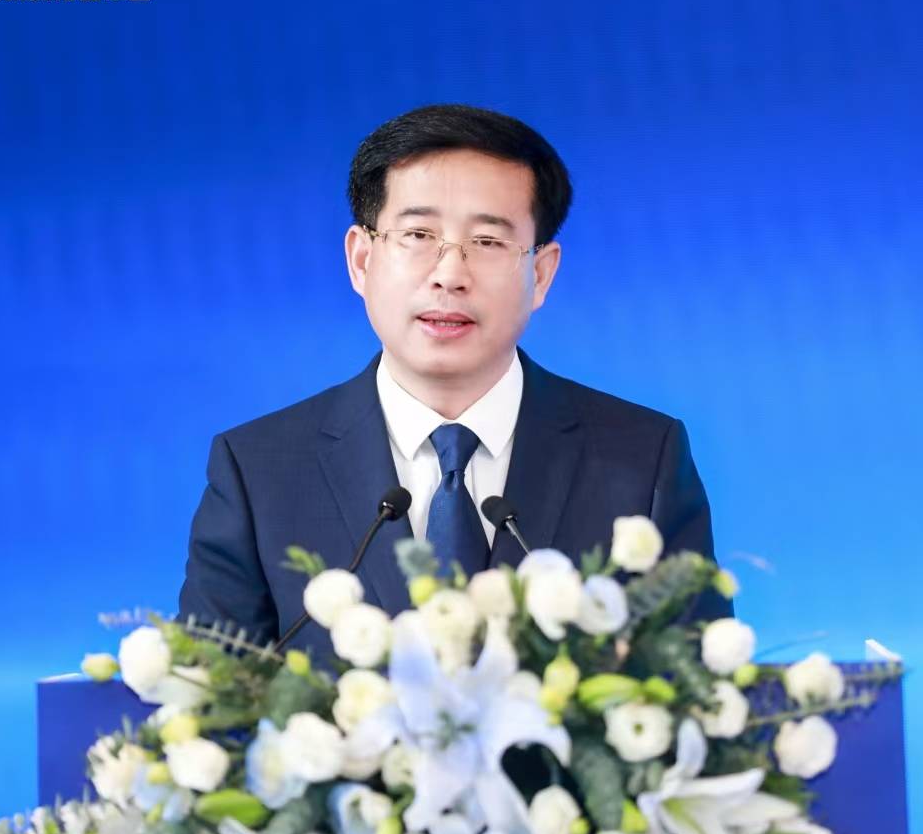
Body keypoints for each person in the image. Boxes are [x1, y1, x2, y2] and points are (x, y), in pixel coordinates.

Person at [179, 104, 729, 654]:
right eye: (418, 234)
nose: (449, 275)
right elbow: (210, 688)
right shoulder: (258, 470)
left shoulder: (643, 459)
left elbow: (696, 684)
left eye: (488, 242)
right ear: (361, 260)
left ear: (540, 274)